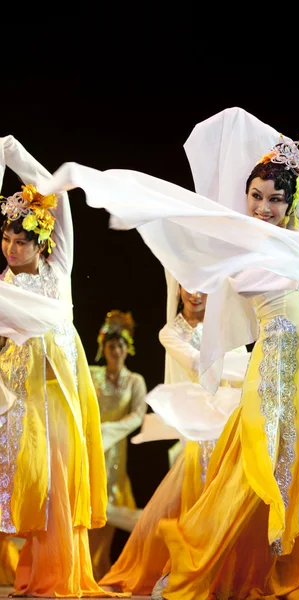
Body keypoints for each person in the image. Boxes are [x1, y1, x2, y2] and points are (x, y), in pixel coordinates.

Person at [41, 107, 299, 600]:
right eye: (255, 196)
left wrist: (290, 158)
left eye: (275, 199)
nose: (263, 207)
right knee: (257, 468)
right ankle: (202, 561)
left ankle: (290, 570)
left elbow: (298, 209)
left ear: (293, 203)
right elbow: (187, 220)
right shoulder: (239, 240)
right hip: (279, 369)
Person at [0, 135, 126, 598]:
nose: (11, 248)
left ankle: (58, 576)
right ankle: (33, 572)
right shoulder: (3, 286)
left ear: (41, 241)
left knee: (59, 484)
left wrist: (13, 155)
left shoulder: (60, 268)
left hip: (63, 395)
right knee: (35, 486)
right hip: (23, 397)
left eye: (21, 241)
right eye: (6, 239)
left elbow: (55, 194)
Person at [99, 278, 249, 595]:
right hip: (196, 430)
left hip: (229, 425)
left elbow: (242, 372)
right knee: (198, 499)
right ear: (177, 288)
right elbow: (204, 370)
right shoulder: (171, 333)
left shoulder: (226, 326)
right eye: (187, 285)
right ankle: (185, 571)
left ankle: (225, 570)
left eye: (203, 286)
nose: (194, 294)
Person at [88, 310, 147, 581]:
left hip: (115, 453)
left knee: (110, 508)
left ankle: (101, 571)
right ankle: (86, 572)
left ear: (128, 349)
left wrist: (108, 431)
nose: (115, 350)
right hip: (90, 449)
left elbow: (138, 416)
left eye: (120, 345)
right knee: (88, 512)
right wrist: (92, 432)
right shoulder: (92, 375)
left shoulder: (135, 381)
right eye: (110, 345)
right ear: (103, 348)